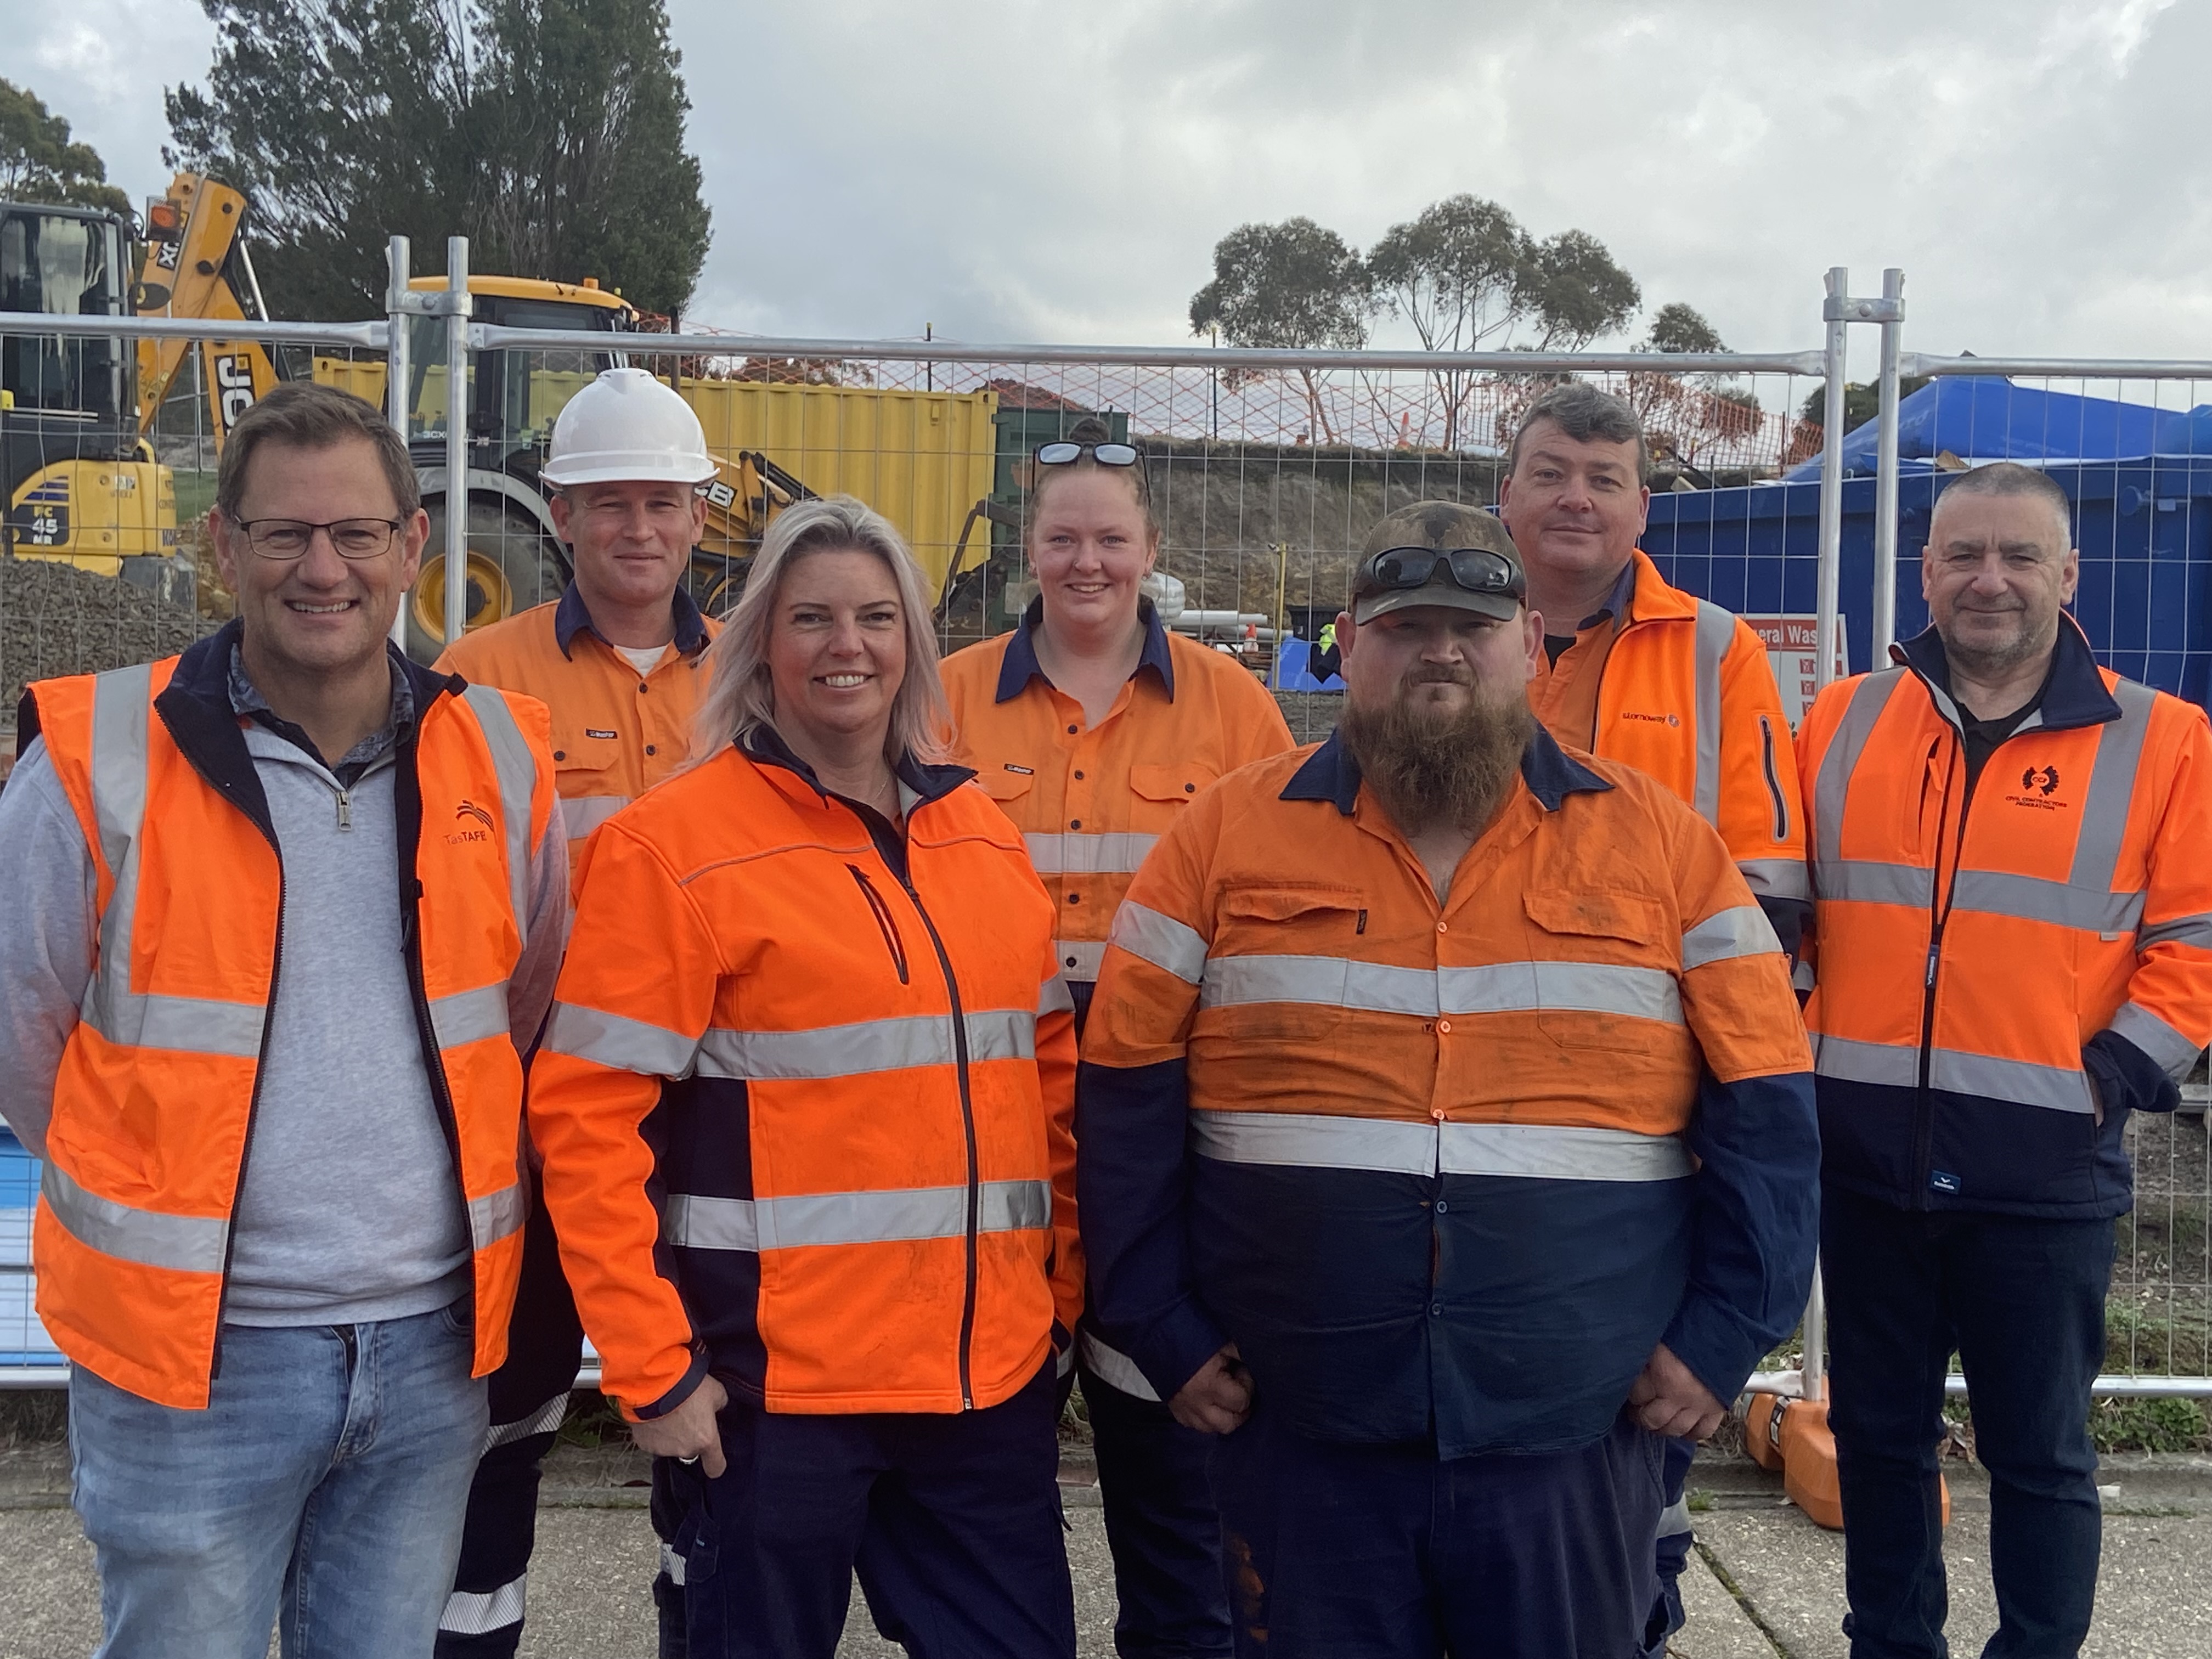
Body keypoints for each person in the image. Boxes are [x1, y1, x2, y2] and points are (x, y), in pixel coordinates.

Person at [1077, 500, 1820, 1659]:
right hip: (1299, 1427)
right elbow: (1122, 1101)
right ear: (1347, 644)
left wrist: (1727, 1333)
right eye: (1405, 625)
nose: (1441, 651)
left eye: (1473, 626)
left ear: (1530, 643)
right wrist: (1160, 1326)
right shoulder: (1220, 840)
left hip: (1572, 1429)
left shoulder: (1662, 846)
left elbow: (1770, 1109)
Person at [0, 382, 566, 1657]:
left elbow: (519, 1009)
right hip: (197, 1360)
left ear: (413, 547)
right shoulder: (97, 758)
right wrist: (151, 1168)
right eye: (284, 535)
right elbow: (21, 1039)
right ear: (225, 549)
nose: (325, 569)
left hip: (430, 1348)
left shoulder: (499, 758)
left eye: (358, 534)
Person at [527, 495, 1084, 1659]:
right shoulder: (671, 848)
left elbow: (1049, 1090)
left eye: (878, 618)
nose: (849, 647)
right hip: (769, 1405)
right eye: (813, 618)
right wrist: (651, 1368)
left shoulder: (982, 835)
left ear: (915, 645)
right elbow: (585, 1120)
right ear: (761, 646)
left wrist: (1061, 1301)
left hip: (984, 1392)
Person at [1798, 462, 2212, 1659]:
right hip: (1864, 1162)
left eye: (2020, 557)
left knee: (2040, 1454)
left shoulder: (2166, 741)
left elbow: (2195, 944)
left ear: (2068, 576)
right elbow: (1784, 917)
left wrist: (2109, 1084)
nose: (1990, 581)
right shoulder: (1844, 720)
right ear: (1925, 572)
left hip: (2045, 1174)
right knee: (1879, 1440)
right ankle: (1893, 1645)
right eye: (1964, 555)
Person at [941, 419, 1292, 1659]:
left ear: (1151, 548)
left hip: (1163, 1106)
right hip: (989, 1098)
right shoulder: (943, 699)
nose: (1085, 562)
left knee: (1168, 1436)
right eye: (1060, 539)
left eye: (1109, 538)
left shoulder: (1235, 707)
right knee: (990, 1447)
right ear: (1026, 553)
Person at [1497, 380, 1812, 1650]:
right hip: (1463, 1073)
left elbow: (1766, 896)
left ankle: (1638, 1605)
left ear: (1642, 504)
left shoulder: (1716, 651)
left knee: (1642, 1416)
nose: (1577, 496)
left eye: (1606, 476)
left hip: (1645, 1101)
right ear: (1507, 494)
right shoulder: (1447, 623)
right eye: (1552, 470)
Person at [430, 365, 722, 1657]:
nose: (639, 529)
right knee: (501, 1419)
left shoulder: (761, 672)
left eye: (663, 502)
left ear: (702, 518)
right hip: (539, 1115)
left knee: (710, 1416)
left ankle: (699, 1619)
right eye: (611, 504)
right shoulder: (476, 677)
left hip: (714, 1113)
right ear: (558, 513)